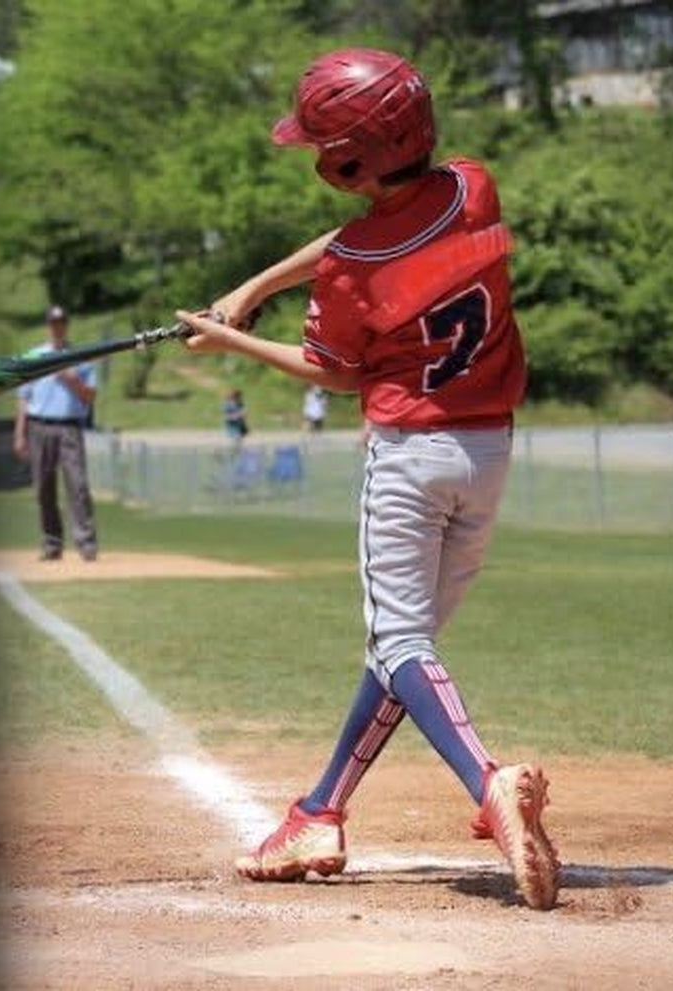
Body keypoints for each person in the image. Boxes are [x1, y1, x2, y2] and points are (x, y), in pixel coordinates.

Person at [177, 48, 559, 910]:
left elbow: (336, 371)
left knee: (401, 645)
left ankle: (489, 783)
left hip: (409, 461)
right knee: (400, 653)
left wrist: (228, 336)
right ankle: (319, 811)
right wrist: (256, 285)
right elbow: (363, 239)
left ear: (348, 162)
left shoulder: (352, 269)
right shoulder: (474, 188)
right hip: (487, 456)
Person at [13, 305, 98, 561]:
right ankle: (52, 544)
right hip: (40, 426)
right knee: (43, 487)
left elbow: (90, 396)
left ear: (66, 325)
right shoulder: (35, 356)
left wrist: (71, 379)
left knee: (78, 485)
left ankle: (86, 544)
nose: (57, 327)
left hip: (69, 426)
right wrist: (20, 433)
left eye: (61, 322)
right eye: (53, 323)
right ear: (48, 326)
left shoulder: (80, 356)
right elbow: (24, 398)